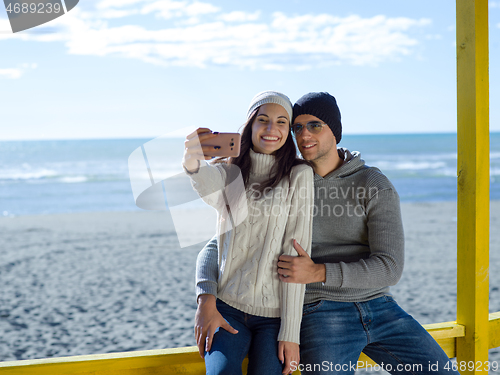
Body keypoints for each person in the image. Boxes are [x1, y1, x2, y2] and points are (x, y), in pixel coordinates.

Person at [195, 92, 461, 375]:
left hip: (380, 306)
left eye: (315, 125)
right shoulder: (286, 181)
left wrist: (319, 272)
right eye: (297, 127)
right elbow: (224, 244)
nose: (304, 134)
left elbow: (390, 268)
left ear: (335, 131)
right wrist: (205, 296)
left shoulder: (372, 183)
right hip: (319, 310)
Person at [183, 91, 314, 375]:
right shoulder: (230, 169)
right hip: (227, 308)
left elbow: (295, 259)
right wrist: (192, 158)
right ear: (250, 126)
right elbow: (203, 181)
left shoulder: (299, 175)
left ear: (288, 131)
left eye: (281, 122)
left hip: (274, 318)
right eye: (263, 120)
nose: (271, 129)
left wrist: (290, 333)